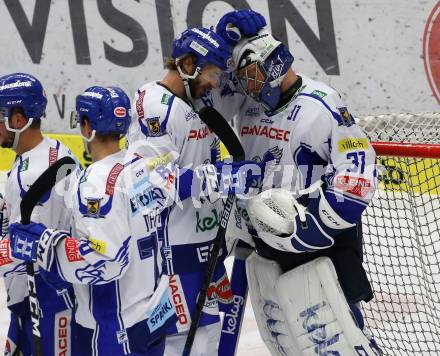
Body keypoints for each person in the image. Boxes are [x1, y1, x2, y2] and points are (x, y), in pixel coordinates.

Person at [197, 9, 382, 355]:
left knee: (336, 341)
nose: (247, 85)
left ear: (275, 65)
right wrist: (221, 43)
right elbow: (204, 101)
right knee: (284, 343)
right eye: (243, 78)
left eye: (252, 75)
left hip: (316, 247)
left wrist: (316, 224)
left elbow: (359, 170)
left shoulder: (321, 104)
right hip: (265, 245)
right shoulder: (249, 104)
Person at [8, 85, 182, 355]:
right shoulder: (141, 164)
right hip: (151, 316)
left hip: (112, 328)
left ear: (87, 127)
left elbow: (107, 259)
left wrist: (45, 245)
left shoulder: (96, 182)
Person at [126, 26, 264, 355]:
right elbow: (150, 185)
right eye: (211, 73)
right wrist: (220, 177)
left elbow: (242, 88)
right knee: (175, 346)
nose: (215, 82)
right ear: (187, 65)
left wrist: (230, 38)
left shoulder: (197, 100)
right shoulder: (156, 105)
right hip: (169, 260)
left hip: (205, 251)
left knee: (208, 342)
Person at [0, 73, 78, 356]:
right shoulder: (56, 150)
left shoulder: (30, 175)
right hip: (64, 291)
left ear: (18, 120)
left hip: (45, 298)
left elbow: (31, 250)